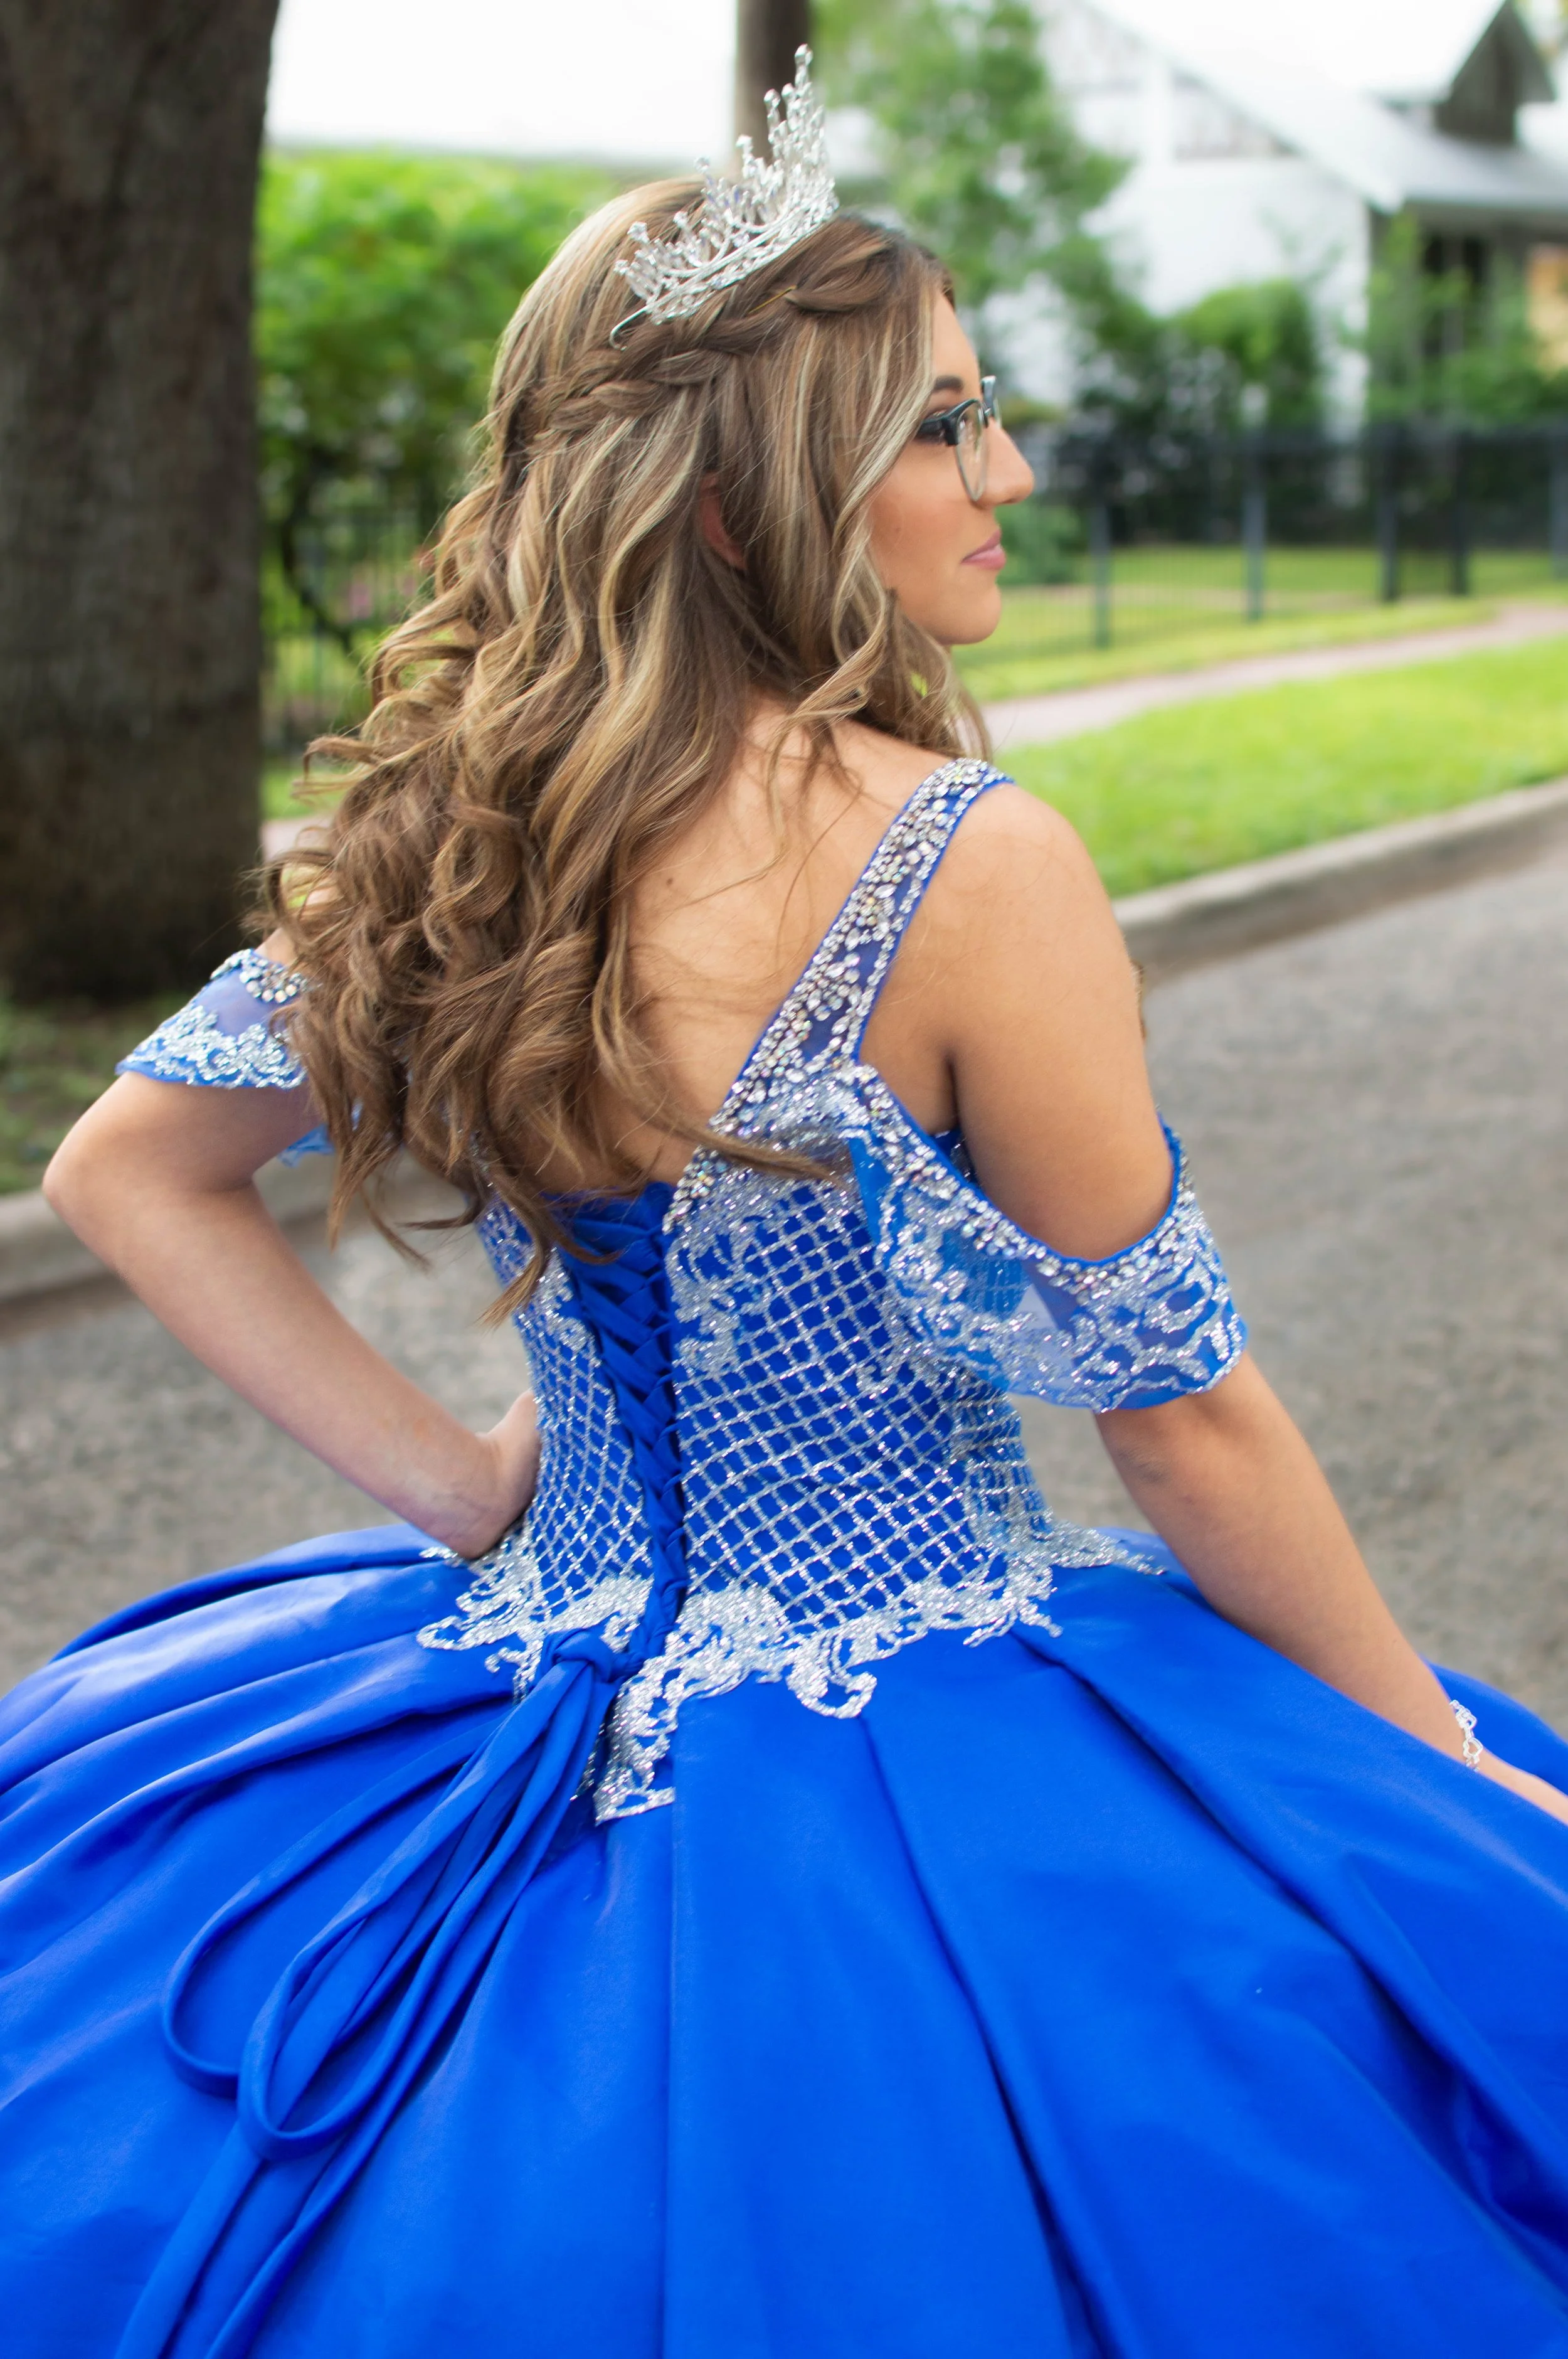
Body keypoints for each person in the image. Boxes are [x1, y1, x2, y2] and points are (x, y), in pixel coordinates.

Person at [4, 53, 1568, 2359]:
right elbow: (1178, 1425)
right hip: (918, 1727)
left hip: (504, 1664)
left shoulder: (451, 830)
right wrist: (1429, 1793)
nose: (1006, 471)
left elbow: (128, 1170)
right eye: (939, 422)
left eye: (986, 407)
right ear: (751, 500)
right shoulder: (960, 856)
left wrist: (462, 1487)